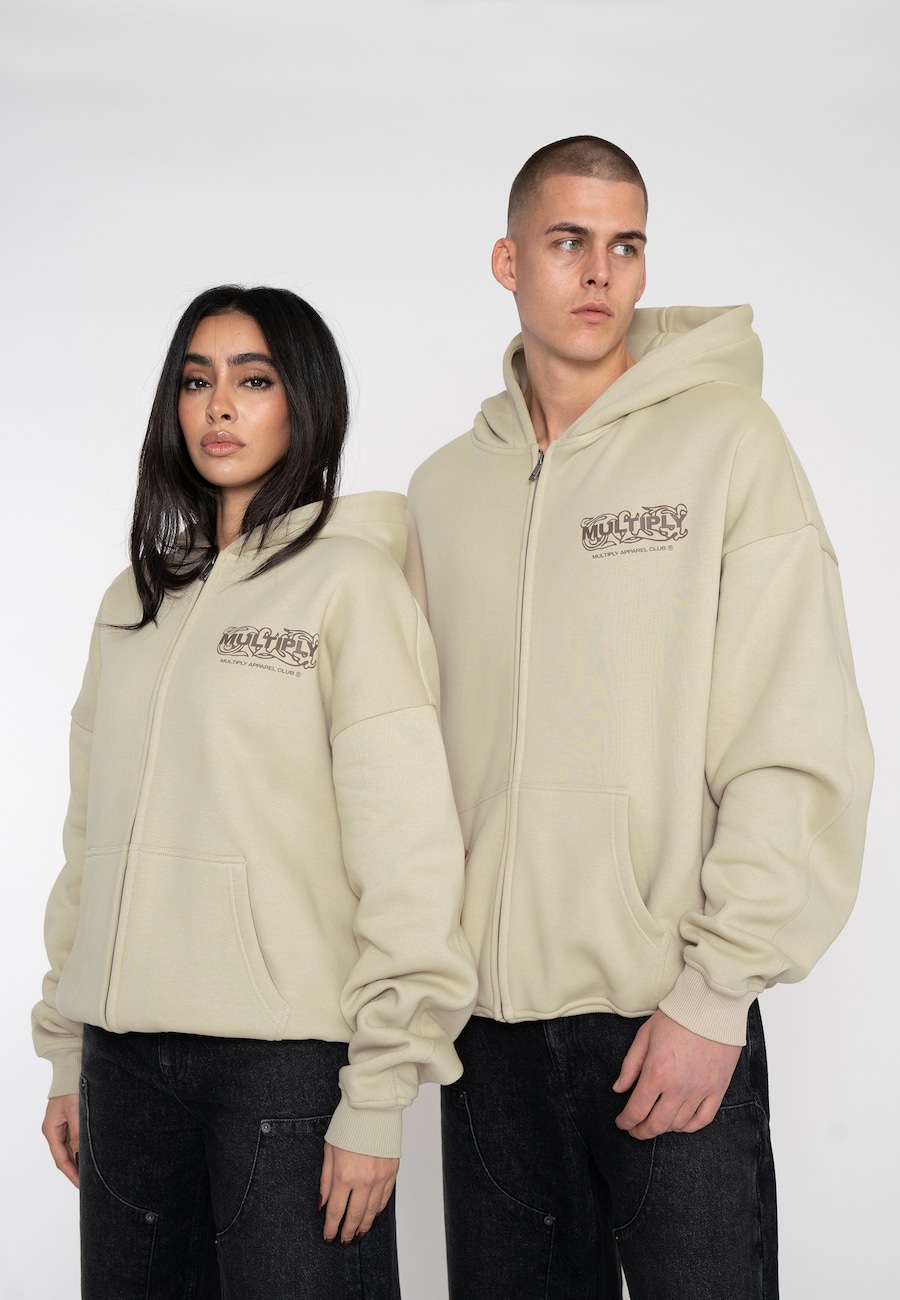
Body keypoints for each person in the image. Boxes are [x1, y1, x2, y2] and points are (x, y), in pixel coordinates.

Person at [405, 137, 873, 1299]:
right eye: (569, 241)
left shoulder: (729, 444)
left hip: (665, 1016)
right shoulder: (443, 492)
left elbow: (795, 731)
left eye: (626, 245)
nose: (599, 272)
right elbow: (403, 763)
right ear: (509, 260)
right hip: (486, 1041)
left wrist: (716, 996)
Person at [33, 284, 477, 1299]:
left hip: (285, 1072)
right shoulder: (133, 601)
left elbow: (408, 847)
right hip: (124, 1065)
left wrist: (377, 1095)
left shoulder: (350, 585)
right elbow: (88, 839)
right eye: (197, 381)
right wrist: (67, 1049)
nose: (219, 406)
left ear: (304, 401)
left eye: (254, 379)